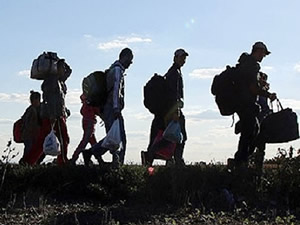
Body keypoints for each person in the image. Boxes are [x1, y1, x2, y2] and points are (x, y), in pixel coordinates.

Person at [83, 48, 134, 166]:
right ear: (124, 57)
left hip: (108, 108)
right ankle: (118, 163)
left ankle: (91, 152)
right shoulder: (117, 71)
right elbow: (116, 90)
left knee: (112, 136)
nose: (130, 63)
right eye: (130, 60)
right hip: (112, 108)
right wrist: (116, 108)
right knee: (119, 137)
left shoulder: (112, 69)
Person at [233, 41, 276, 168]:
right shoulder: (252, 66)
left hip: (241, 104)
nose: (263, 56)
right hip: (246, 104)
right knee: (251, 131)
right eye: (263, 53)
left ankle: (240, 160)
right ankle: (241, 162)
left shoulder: (244, 64)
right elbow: (253, 89)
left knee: (251, 131)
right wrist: (268, 95)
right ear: (257, 51)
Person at [143, 49, 188, 166]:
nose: (183, 59)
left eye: (184, 57)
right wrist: (176, 111)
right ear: (175, 58)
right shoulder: (175, 73)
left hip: (166, 111)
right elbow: (174, 94)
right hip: (172, 110)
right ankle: (177, 161)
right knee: (181, 136)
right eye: (181, 57)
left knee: (166, 137)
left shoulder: (172, 72)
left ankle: (152, 157)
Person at [70, 94, 100, 164]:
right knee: (85, 141)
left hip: (86, 122)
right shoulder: (91, 100)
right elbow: (97, 110)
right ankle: (74, 158)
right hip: (90, 122)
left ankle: (100, 159)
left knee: (93, 142)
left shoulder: (86, 100)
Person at [19, 91, 42, 165]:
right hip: (30, 134)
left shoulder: (34, 109)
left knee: (31, 150)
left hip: (31, 134)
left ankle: (27, 163)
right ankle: (25, 163)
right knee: (29, 150)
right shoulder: (31, 110)